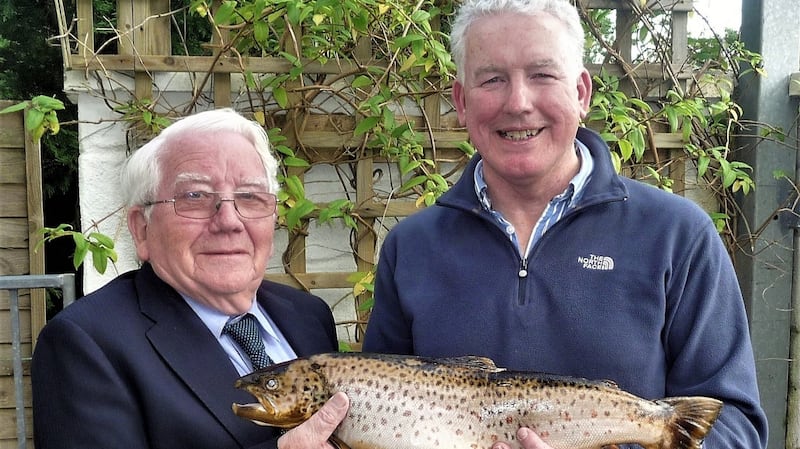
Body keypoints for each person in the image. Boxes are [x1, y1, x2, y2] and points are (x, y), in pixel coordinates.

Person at [362, 0, 769, 448]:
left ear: (581, 93)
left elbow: (734, 426)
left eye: (542, 75)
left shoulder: (678, 236)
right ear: (461, 101)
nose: (518, 102)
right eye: (492, 79)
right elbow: (384, 421)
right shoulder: (410, 249)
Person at [31, 108, 348, 449]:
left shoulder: (308, 316)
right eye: (195, 196)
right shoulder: (87, 344)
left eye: (249, 197)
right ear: (142, 228)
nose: (229, 221)